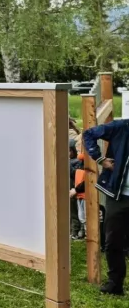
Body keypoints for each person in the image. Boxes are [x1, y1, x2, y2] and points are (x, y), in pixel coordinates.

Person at [83, 118, 129, 295]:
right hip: (118, 196)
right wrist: (100, 159)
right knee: (113, 241)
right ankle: (115, 284)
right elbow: (88, 134)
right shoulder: (121, 127)